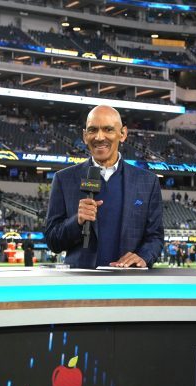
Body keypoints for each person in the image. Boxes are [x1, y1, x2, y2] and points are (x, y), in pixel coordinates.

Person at [45, 105, 163, 268]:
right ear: (85, 136)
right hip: (80, 281)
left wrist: (143, 256)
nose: (99, 137)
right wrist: (77, 222)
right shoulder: (64, 179)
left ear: (123, 134)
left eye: (108, 129)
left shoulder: (148, 182)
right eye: (93, 130)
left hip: (129, 279)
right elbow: (52, 241)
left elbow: (155, 237)